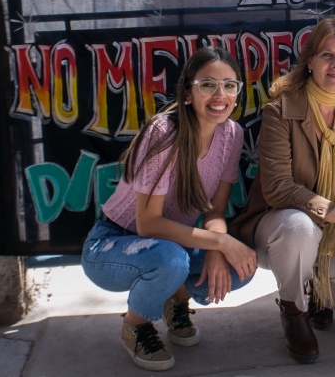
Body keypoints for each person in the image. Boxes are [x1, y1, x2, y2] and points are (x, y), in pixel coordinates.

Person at [81, 46, 258, 372]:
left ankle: (175, 299)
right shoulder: (164, 132)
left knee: (240, 266)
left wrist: (219, 249)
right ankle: (136, 324)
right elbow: (148, 225)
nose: (220, 94)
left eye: (230, 85)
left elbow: (215, 213)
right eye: (208, 84)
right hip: (112, 243)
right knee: (170, 259)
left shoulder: (232, 134)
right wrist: (219, 241)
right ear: (188, 93)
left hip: (174, 244)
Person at [229, 15, 335, 364]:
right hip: (277, 228)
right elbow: (278, 188)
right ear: (309, 62)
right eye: (327, 55)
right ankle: (293, 310)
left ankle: (321, 301)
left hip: (328, 229)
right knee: (298, 226)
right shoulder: (280, 111)